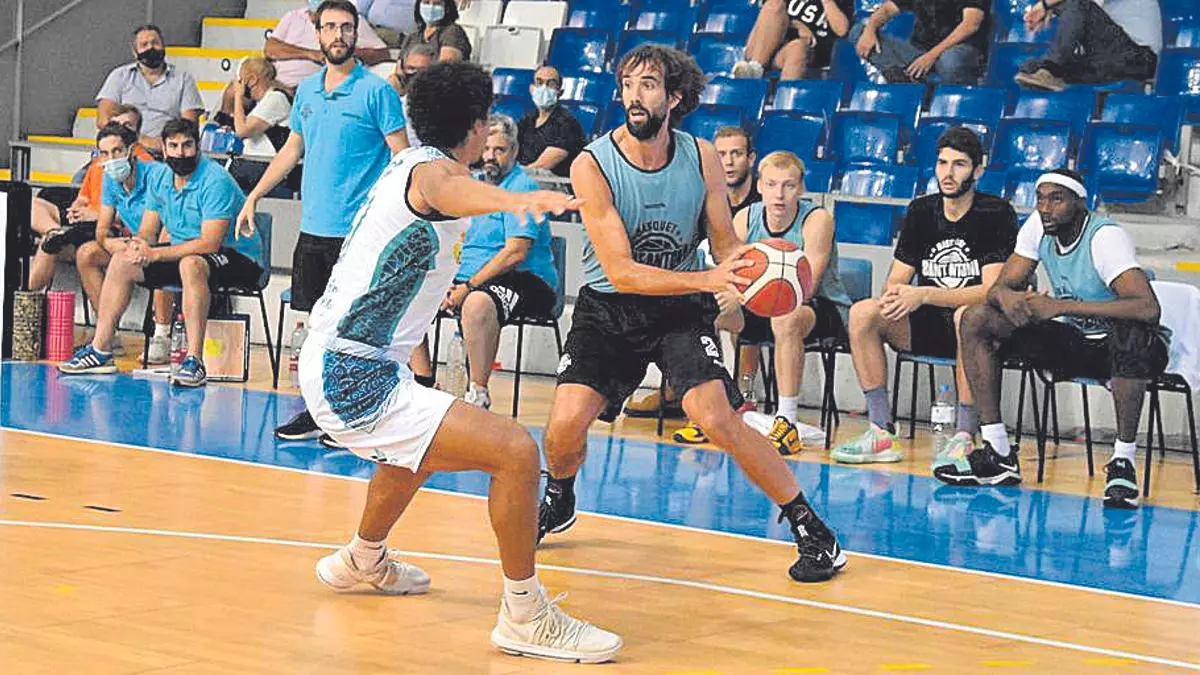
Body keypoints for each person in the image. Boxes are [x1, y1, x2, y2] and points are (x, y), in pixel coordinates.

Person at [291, 59, 622, 663]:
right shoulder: (433, 175)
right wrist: (517, 199)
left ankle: (362, 558)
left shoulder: (409, 162)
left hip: (348, 360)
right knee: (515, 452)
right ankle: (525, 615)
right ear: (474, 126)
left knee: (417, 447)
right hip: (350, 373)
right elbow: (449, 192)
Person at [537, 44, 846, 584]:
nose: (634, 96)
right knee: (562, 428)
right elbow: (622, 271)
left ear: (674, 97)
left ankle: (812, 529)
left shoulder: (700, 155)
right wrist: (709, 279)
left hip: (678, 309)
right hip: (610, 306)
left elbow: (724, 239)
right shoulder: (591, 164)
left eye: (648, 85)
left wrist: (758, 268)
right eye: (627, 84)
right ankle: (560, 495)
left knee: (716, 417)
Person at [241, 0, 408, 442]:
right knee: (316, 330)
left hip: (360, 235)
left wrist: (395, 218)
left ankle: (356, 416)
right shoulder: (308, 92)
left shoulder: (377, 92)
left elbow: (402, 159)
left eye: (346, 27)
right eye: (330, 27)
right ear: (317, 34)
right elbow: (292, 150)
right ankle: (319, 412)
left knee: (355, 331)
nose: (338, 35)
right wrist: (254, 195)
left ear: (356, 34)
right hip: (313, 229)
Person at [954, 169, 1167, 509]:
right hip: (1074, 341)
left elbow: (1147, 308)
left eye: (1056, 199)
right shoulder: (1038, 227)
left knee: (1131, 333)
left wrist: (1061, 306)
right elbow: (1000, 286)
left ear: (1080, 203)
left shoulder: (1104, 238)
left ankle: (1123, 463)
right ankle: (998, 453)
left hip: (1128, 349)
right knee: (976, 318)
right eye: (1040, 198)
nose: (1045, 208)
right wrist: (1009, 298)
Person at [831, 127, 1016, 466]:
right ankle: (881, 430)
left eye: (959, 164)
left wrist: (924, 294)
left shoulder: (996, 213)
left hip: (978, 329)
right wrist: (896, 295)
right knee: (863, 313)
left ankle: (964, 435)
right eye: (942, 163)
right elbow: (896, 280)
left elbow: (991, 291)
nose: (948, 173)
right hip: (927, 322)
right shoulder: (921, 210)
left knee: (965, 316)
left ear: (977, 171)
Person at [58, 118, 264, 387]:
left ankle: (194, 361)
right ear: (164, 149)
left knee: (191, 264)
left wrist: (155, 255)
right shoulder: (161, 179)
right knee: (122, 261)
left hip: (238, 258)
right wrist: (138, 246)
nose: (181, 153)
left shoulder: (215, 180)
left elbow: (209, 244)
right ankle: (101, 350)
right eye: (174, 146)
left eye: (187, 145)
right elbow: (148, 230)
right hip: (187, 252)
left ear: (198, 147)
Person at [624, 124, 761, 423]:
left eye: (736, 154)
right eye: (721, 154)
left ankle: (742, 394)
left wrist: (734, 288)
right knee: (688, 302)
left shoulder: (762, 204)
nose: (728, 162)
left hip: (752, 290)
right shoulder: (701, 194)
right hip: (707, 283)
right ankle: (682, 389)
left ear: (751, 159)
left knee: (720, 304)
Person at [443, 114, 559, 410]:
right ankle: (420, 381)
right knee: (410, 291)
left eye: (500, 150)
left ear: (515, 151)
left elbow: (515, 253)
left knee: (478, 303)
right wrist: (444, 282)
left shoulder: (522, 188)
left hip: (527, 279)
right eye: (486, 148)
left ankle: (477, 395)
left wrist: (468, 287)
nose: (490, 156)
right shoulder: (473, 185)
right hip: (472, 277)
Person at [95, 25, 204, 151]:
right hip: (124, 148)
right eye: (144, 45)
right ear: (135, 52)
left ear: (163, 47)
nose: (150, 48)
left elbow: (189, 125)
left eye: (155, 43)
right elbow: (103, 120)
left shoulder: (183, 79)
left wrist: (166, 143)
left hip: (166, 150)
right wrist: (141, 140)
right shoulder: (119, 76)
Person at [1014, 0, 1161, 91]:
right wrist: (1051, 9)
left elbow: (1080, 7)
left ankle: (1052, 69)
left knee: (1081, 4)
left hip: (1138, 57)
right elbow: (1074, 14)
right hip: (1107, 62)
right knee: (1031, 67)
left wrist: (1045, 5)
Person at [849, 0, 989, 84]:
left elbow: (971, 24)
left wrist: (931, 56)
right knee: (858, 32)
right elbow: (887, 9)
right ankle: (907, 83)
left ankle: (952, 101)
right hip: (919, 51)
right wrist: (870, 29)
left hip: (957, 49)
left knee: (950, 61)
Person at [266, 0, 392, 90]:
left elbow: (383, 53)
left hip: (313, 89)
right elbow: (270, 49)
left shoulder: (350, 20)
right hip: (274, 84)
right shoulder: (293, 16)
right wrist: (311, 54)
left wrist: (349, 53)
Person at [732, 0, 855, 80]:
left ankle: (784, 106)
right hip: (769, 44)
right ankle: (755, 67)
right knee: (774, 5)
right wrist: (796, 25)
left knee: (798, 48)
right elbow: (769, 16)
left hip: (803, 50)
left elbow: (842, 30)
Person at [516, 65, 586, 178]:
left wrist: (512, 178)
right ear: (532, 89)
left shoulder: (567, 124)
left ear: (560, 92)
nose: (544, 88)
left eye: (551, 84)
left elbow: (541, 166)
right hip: (525, 180)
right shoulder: (526, 121)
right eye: (539, 82)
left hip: (552, 184)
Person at [388, 44, 435, 148]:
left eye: (423, 70)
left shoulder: (445, 108)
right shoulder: (395, 107)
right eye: (411, 68)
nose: (416, 74)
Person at [398, 0, 472, 62]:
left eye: (437, 4)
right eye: (426, 2)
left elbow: (445, 68)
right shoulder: (412, 37)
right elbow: (399, 69)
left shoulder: (453, 32)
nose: (431, 7)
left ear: (447, 8)